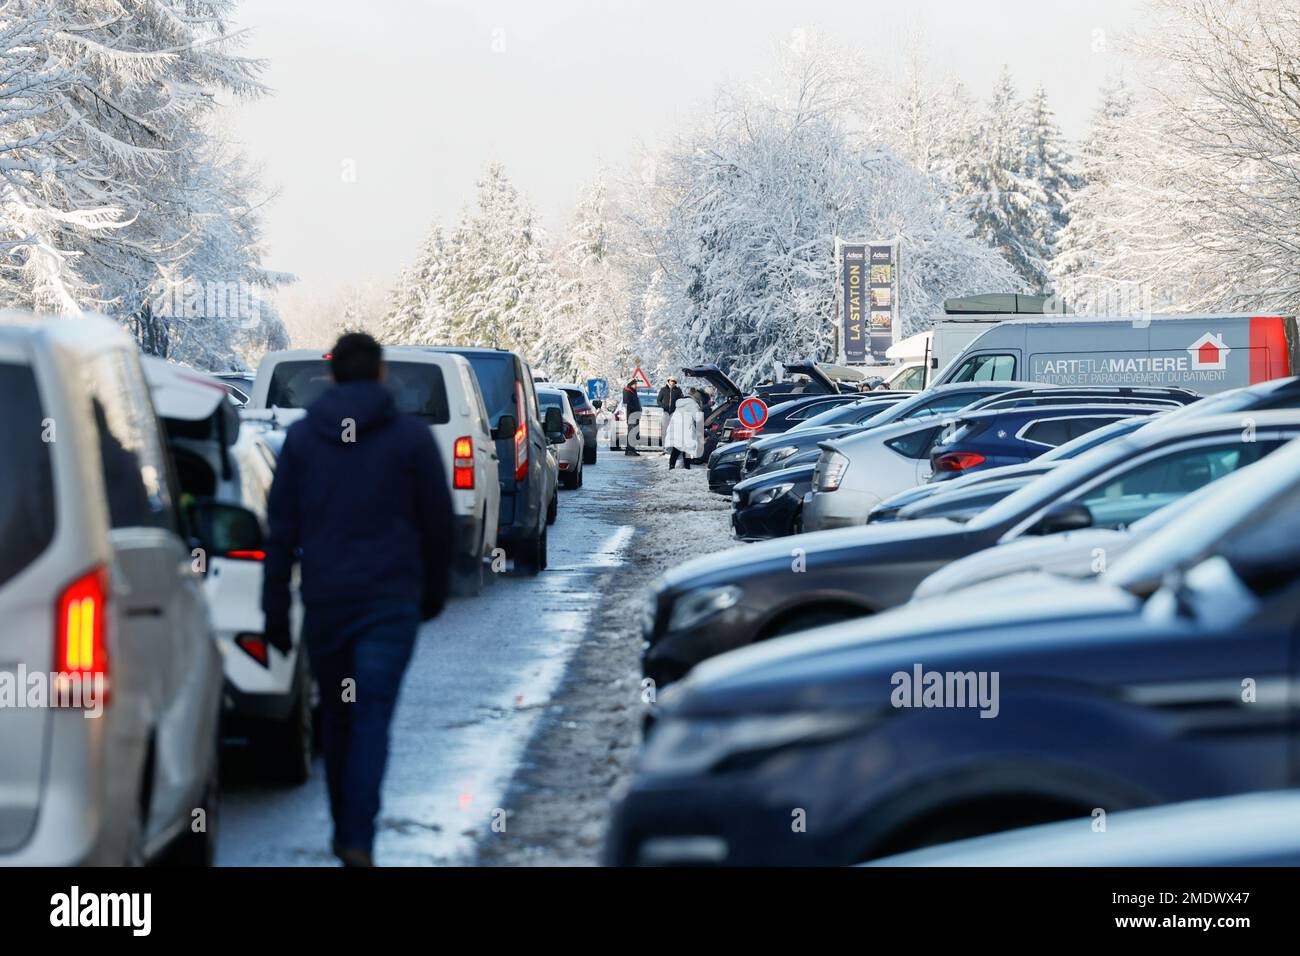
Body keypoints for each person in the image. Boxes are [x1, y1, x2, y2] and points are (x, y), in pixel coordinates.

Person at [262, 332, 453, 867]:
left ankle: (344, 828)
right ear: (380, 376)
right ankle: (357, 838)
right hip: (390, 604)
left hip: (327, 602)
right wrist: (432, 593)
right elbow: (438, 525)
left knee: (338, 718)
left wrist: (274, 609)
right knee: (370, 717)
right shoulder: (412, 439)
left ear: (334, 378)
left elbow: (279, 532)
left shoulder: (303, 440)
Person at [665, 388, 705, 470]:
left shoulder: (680, 404)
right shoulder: (693, 404)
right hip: (686, 429)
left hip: (676, 428)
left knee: (677, 448)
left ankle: (671, 466)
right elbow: (698, 418)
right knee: (687, 448)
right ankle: (687, 467)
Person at [621, 377, 643, 456]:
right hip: (631, 415)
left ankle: (631, 449)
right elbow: (627, 404)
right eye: (635, 384)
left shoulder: (632, 391)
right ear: (631, 384)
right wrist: (635, 410)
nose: (636, 385)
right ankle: (630, 450)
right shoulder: (627, 392)